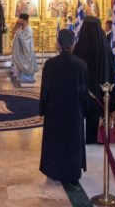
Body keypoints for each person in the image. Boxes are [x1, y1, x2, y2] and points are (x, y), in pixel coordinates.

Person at [39, 29, 89, 185]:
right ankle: (73, 171)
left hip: (54, 112)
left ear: (58, 44)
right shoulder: (81, 64)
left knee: (55, 142)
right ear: (73, 44)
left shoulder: (50, 64)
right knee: (72, 142)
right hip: (74, 113)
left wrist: (43, 109)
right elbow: (84, 92)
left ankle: (54, 170)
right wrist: (83, 111)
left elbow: (45, 90)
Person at [73, 16, 115, 144]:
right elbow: (111, 71)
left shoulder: (79, 48)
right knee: (99, 113)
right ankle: (100, 137)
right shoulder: (106, 48)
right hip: (101, 92)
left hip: (84, 93)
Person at [11, 13, 38, 83]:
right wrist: (17, 25)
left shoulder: (29, 29)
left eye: (20, 19)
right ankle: (20, 77)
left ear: (24, 20)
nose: (19, 20)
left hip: (27, 52)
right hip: (20, 51)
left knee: (26, 63)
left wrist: (19, 33)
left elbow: (26, 42)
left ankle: (28, 78)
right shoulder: (20, 28)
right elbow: (13, 32)